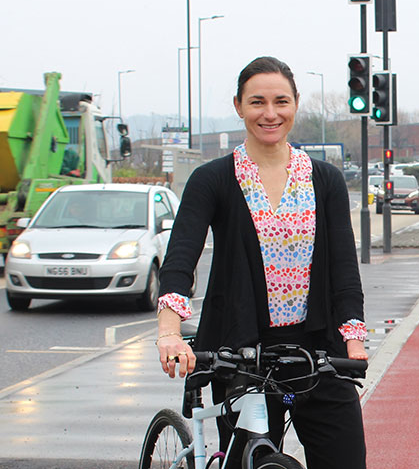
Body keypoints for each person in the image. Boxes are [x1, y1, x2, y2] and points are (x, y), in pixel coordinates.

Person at [153, 56, 368, 469]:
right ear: (238, 106)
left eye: (281, 102)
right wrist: (169, 333)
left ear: (296, 104)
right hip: (242, 355)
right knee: (251, 458)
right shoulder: (213, 178)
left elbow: (344, 269)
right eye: (257, 102)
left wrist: (353, 340)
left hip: (314, 355)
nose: (270, 114)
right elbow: (181, 255)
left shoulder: (324, 180)